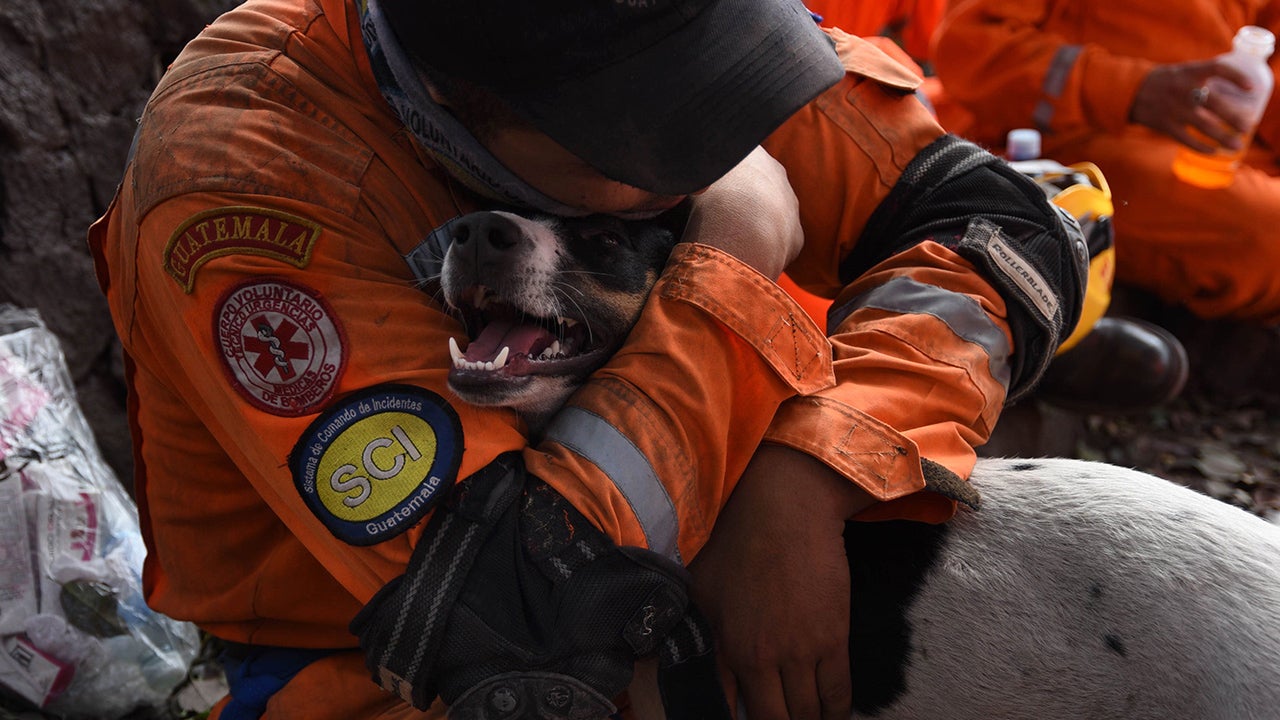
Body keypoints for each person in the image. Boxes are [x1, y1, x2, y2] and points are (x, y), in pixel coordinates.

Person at [86, 0, 1087, 718]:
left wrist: (813, 471)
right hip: (370, 655)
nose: (714, 141)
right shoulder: (246, 171)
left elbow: (1001, 229)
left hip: (716, 503)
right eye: (655, 134)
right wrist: (731, 268)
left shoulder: (674, 40)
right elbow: (519, 623)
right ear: (462, 103)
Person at [932, 1, 1280, 338]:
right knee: (1269, 234)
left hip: (1217, 143)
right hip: (1060, 139)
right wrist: (1133, 90)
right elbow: (971, 48)